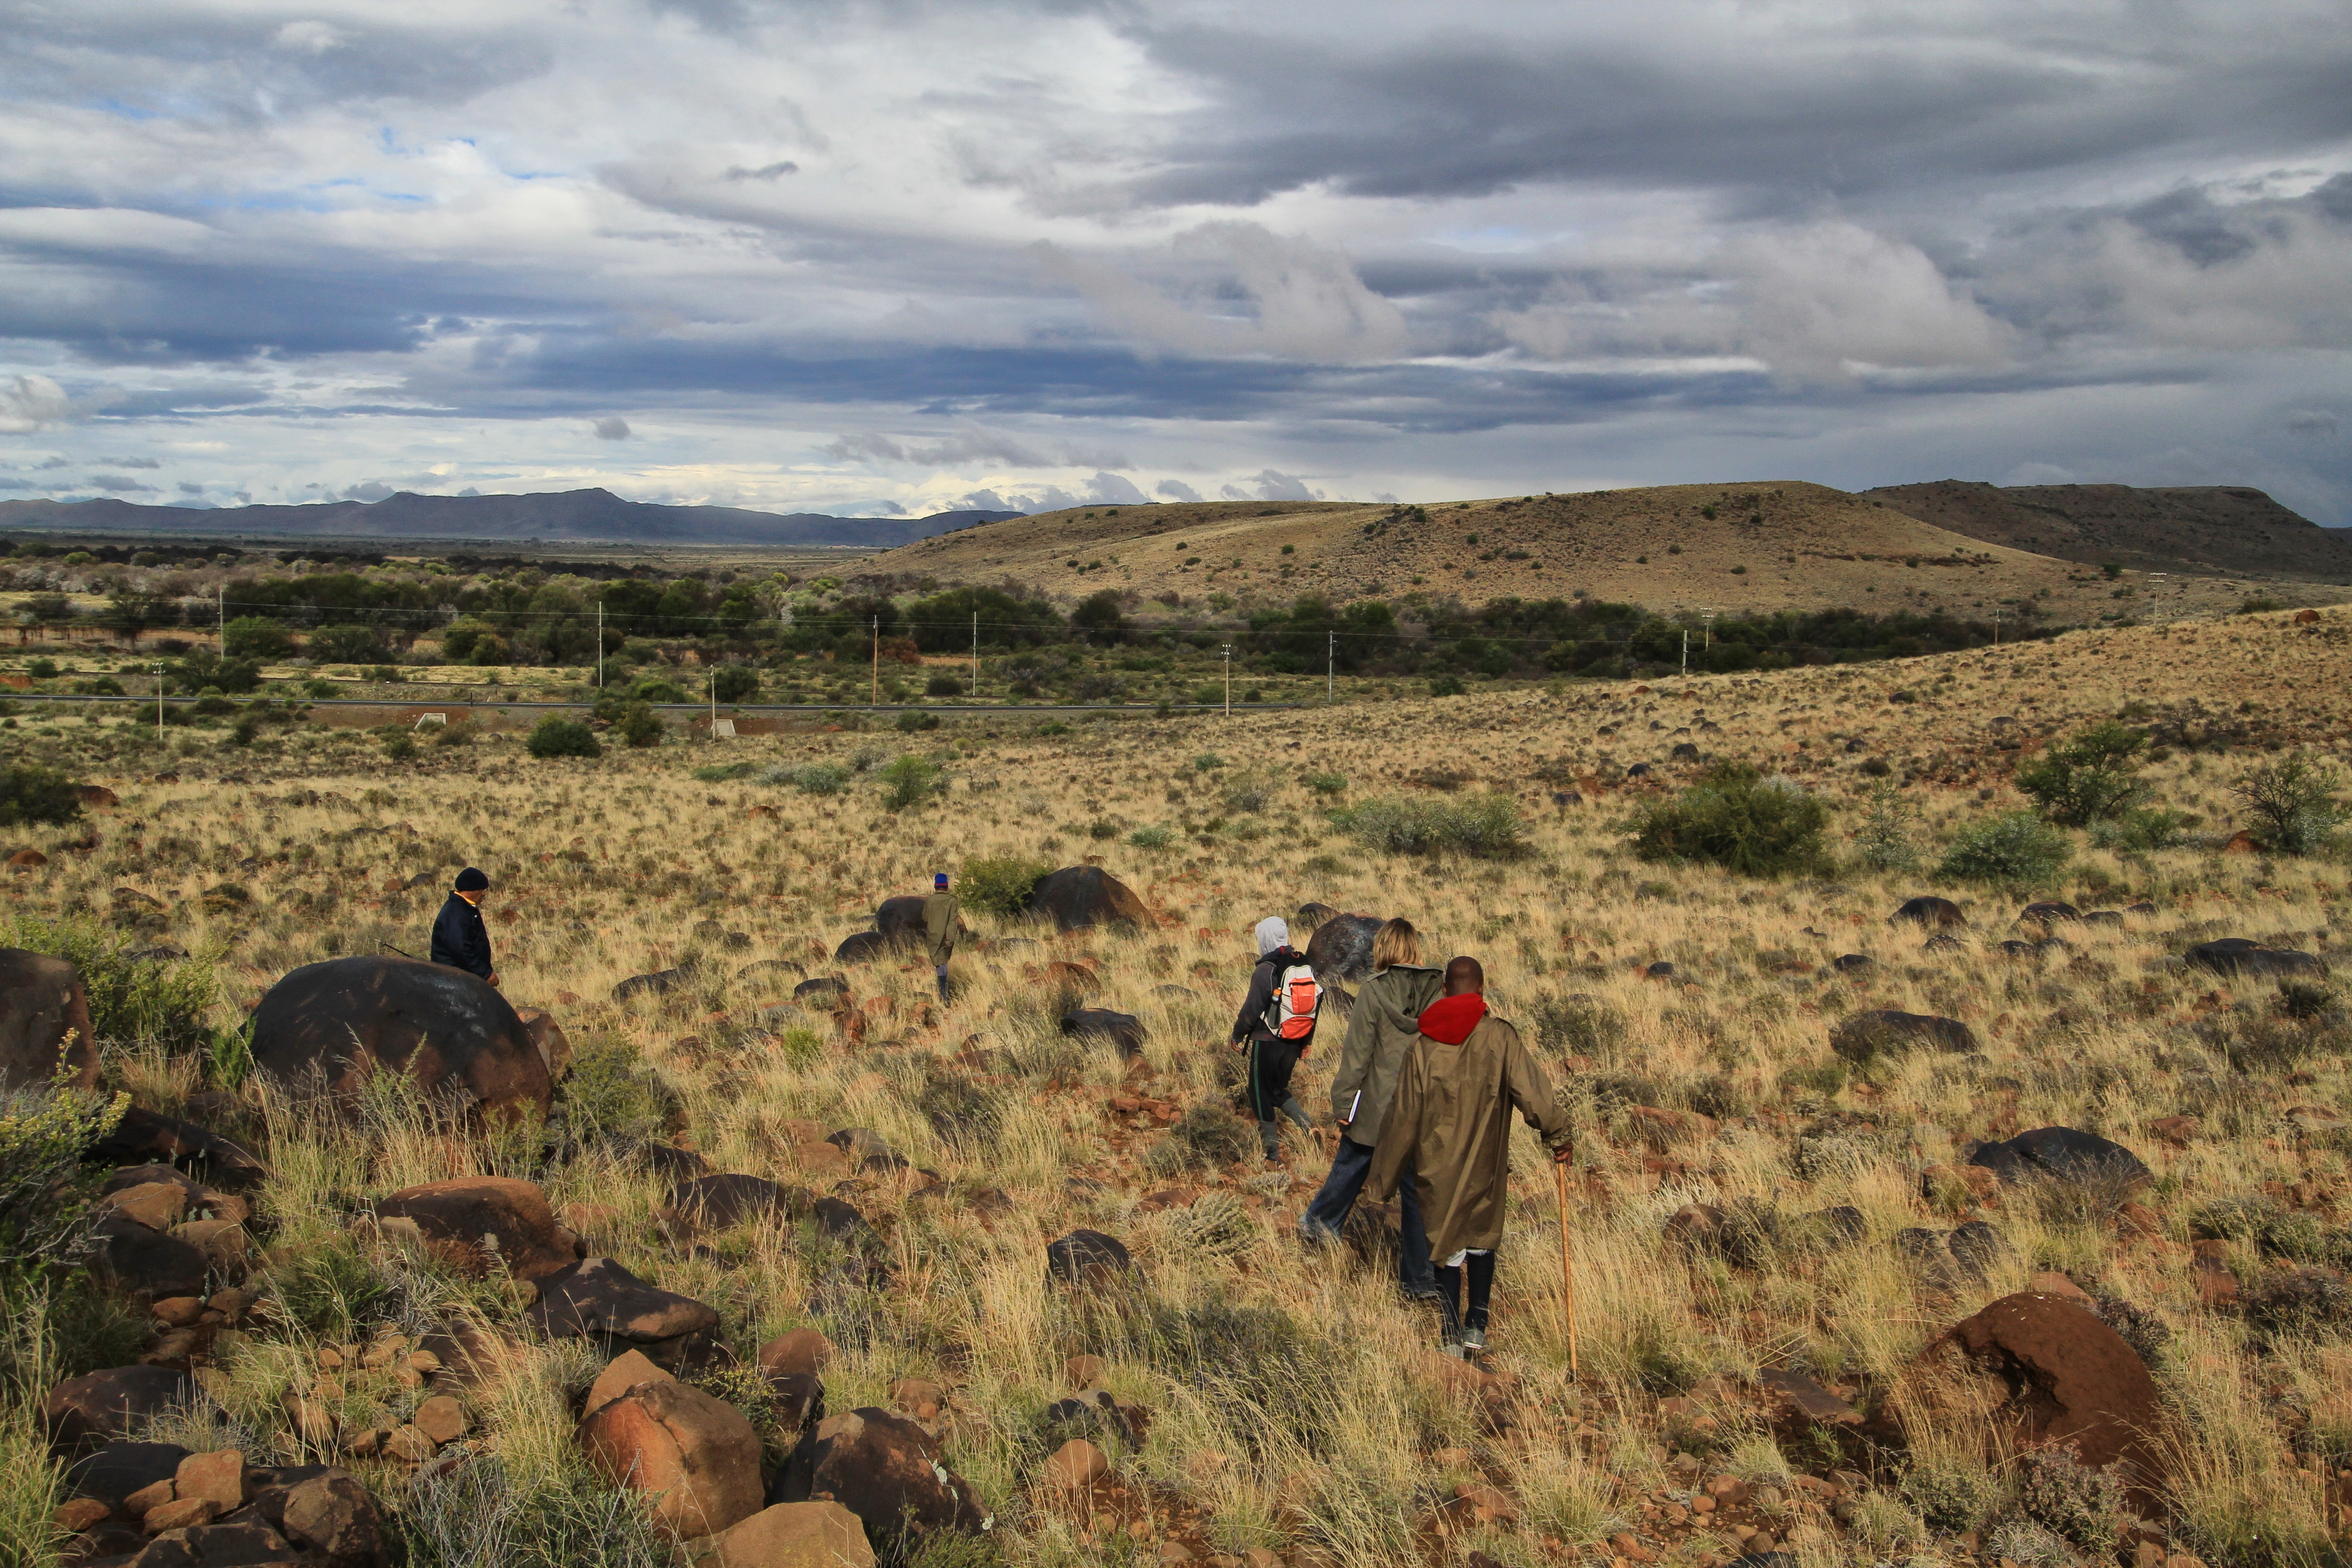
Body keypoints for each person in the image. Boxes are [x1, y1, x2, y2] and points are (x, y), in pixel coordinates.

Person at [1368, 955, 1572, 1357]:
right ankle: (1475, 1329)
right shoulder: (1500, 1038)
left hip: (1435, 1165)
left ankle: (1449, 1335)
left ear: (1444, 991)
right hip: (1485, 1162)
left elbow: (1402, 1118)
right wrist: (1558, 1134)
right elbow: (1533, 1094)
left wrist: (1381, 1183)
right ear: (1481, 990)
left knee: (1446, 1245)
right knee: (1481, 1239)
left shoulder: (1422, 1047)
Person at [1298, 919, 1444, 1300]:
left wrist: (1344, 1102)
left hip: (1378, 1105)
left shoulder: (1374, 992)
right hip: (1422, 1108)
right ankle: (1419, 1280)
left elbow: (1358, 1055)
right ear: (1414, 948)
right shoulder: (1438, 993)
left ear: (1384, 949)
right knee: (1415, 1192)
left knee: (1351, 1163)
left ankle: (1320, 1224)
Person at [1230, 915, 1321, 1162]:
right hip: (1295, 1040)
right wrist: (1307, 1041)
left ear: (1266, 939)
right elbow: (1313, 1005)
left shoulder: (1266, 970)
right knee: (1279, 1090)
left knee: (1259, 1094)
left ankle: (1272, 1154)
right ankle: (1307, 1126)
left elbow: (1251, 1011)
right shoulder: (1303, 967)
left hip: (1267, 1041)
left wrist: (1237, 1035)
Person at [430, 867, 497, 985]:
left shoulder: (465, 908)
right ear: (470, 891)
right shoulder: (456, 913)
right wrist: (485, 974)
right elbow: (461, 949)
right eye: (481, 890)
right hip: (454, 980)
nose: (484, 894)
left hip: (463, 978)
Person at [921, 872, 958, 1001]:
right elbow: (953, 921)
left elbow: (925, 918)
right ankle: (944, 995)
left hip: (932, 937)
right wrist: (950, 938)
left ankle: (943, 993)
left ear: (936, 886)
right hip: (947, 937)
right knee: (943, 965)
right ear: (947, 886)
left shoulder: (930, 900)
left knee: (939, 965)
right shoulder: (952, 901)